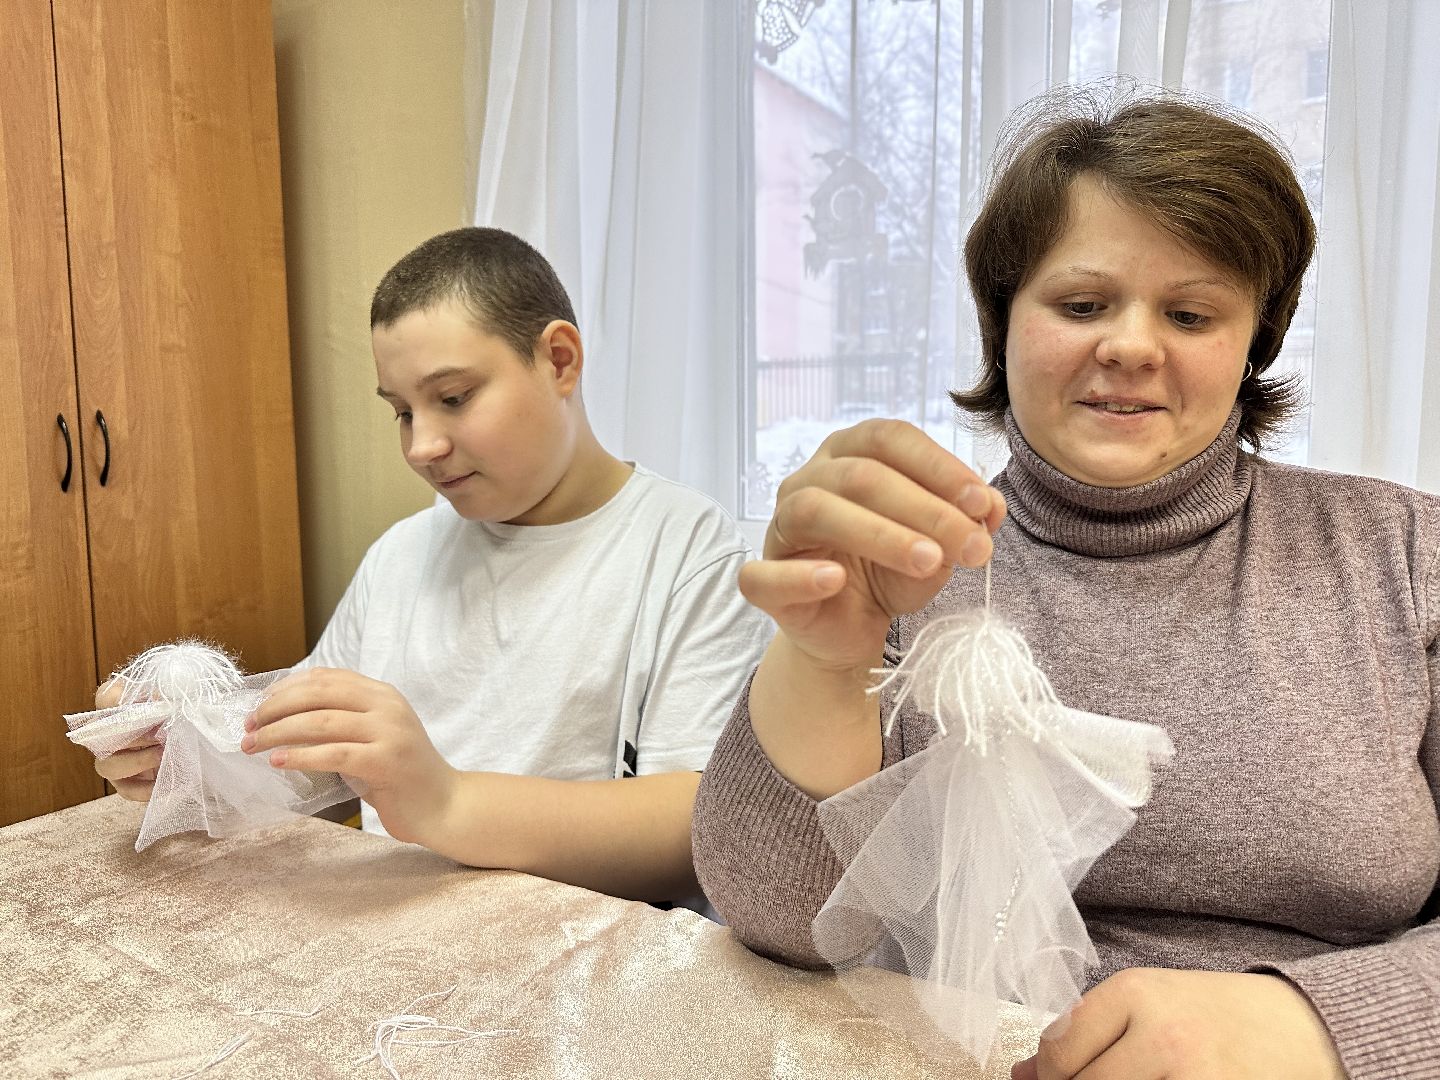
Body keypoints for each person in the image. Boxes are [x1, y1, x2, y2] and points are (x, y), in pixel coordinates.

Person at [691, 86, 1439, 1079]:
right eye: (1081, 304)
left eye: (1190, 312)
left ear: (1255, 340)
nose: (1130, 345)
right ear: (1002, 323)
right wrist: (823, 658)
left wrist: (1317, 1026)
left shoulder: (1403, 555)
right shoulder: (902, 561)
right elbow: (778, 924)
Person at [94, 227, 771, 904]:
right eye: (401, 412)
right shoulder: (402, 555)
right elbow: (308, 759)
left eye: (452, 398)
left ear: (559, 361)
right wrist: (188, 759)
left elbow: (697, 828)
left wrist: (446, 801)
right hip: (397, 943)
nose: (422, 446)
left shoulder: (687, 551)